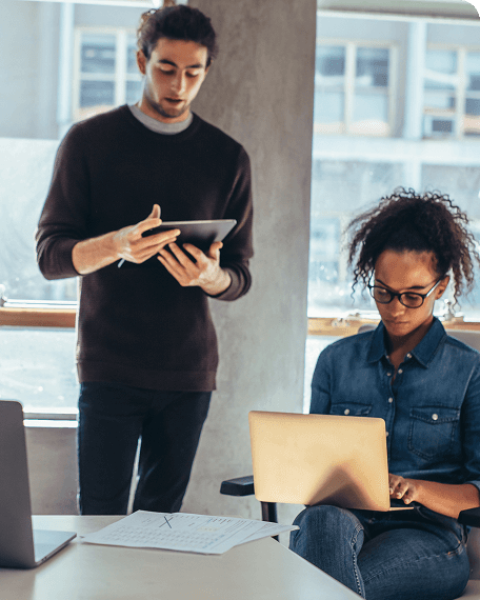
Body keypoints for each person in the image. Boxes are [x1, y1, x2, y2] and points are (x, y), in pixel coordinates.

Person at [36, 2, 253, 515]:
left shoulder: (228, 158)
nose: (178, 85)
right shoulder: (89, 141)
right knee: (100, 520)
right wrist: (117, 245)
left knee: (161, 527)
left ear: (205, 72)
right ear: (140, 62)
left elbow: (241, 275)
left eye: (192, 73)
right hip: (108, 365)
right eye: (166, 69)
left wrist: (211, 276)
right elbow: (50, 256)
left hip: (188, 370)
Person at [290, 189, 480, 600]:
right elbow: (313, 472)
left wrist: (418, 489)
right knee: (321, 522)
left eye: (413, 295)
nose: (395, 308)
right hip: (339, 521)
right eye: (383, 291)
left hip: (427, 533)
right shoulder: (335, 361)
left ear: (441, 287)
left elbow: (477, 494)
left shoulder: (470, 370)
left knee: (326, 586)